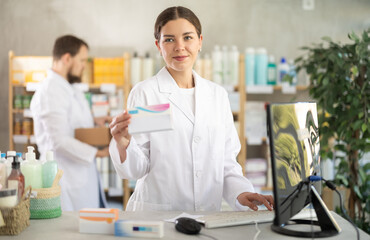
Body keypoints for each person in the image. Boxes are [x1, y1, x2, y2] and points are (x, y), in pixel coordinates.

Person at [109, 6, 274, 211]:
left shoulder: (217, 96)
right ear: (158, 45)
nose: (179, 47)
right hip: (158, 216)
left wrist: (241, 193)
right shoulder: (146, 93)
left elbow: (226, 162)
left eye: (187, 37)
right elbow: (137, 168)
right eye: (169, 39)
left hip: (207, 215)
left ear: (200, 42)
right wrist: (124, 145)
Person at [31, 35, 111, 211]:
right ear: (67, 58)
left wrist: (94, 121)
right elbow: (58, 141)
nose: (84, 66)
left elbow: (70, 125)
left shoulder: (67, 87)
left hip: (80, 175)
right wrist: (99, 153)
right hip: (66, 180)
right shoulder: (51, 91)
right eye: (82, 60)